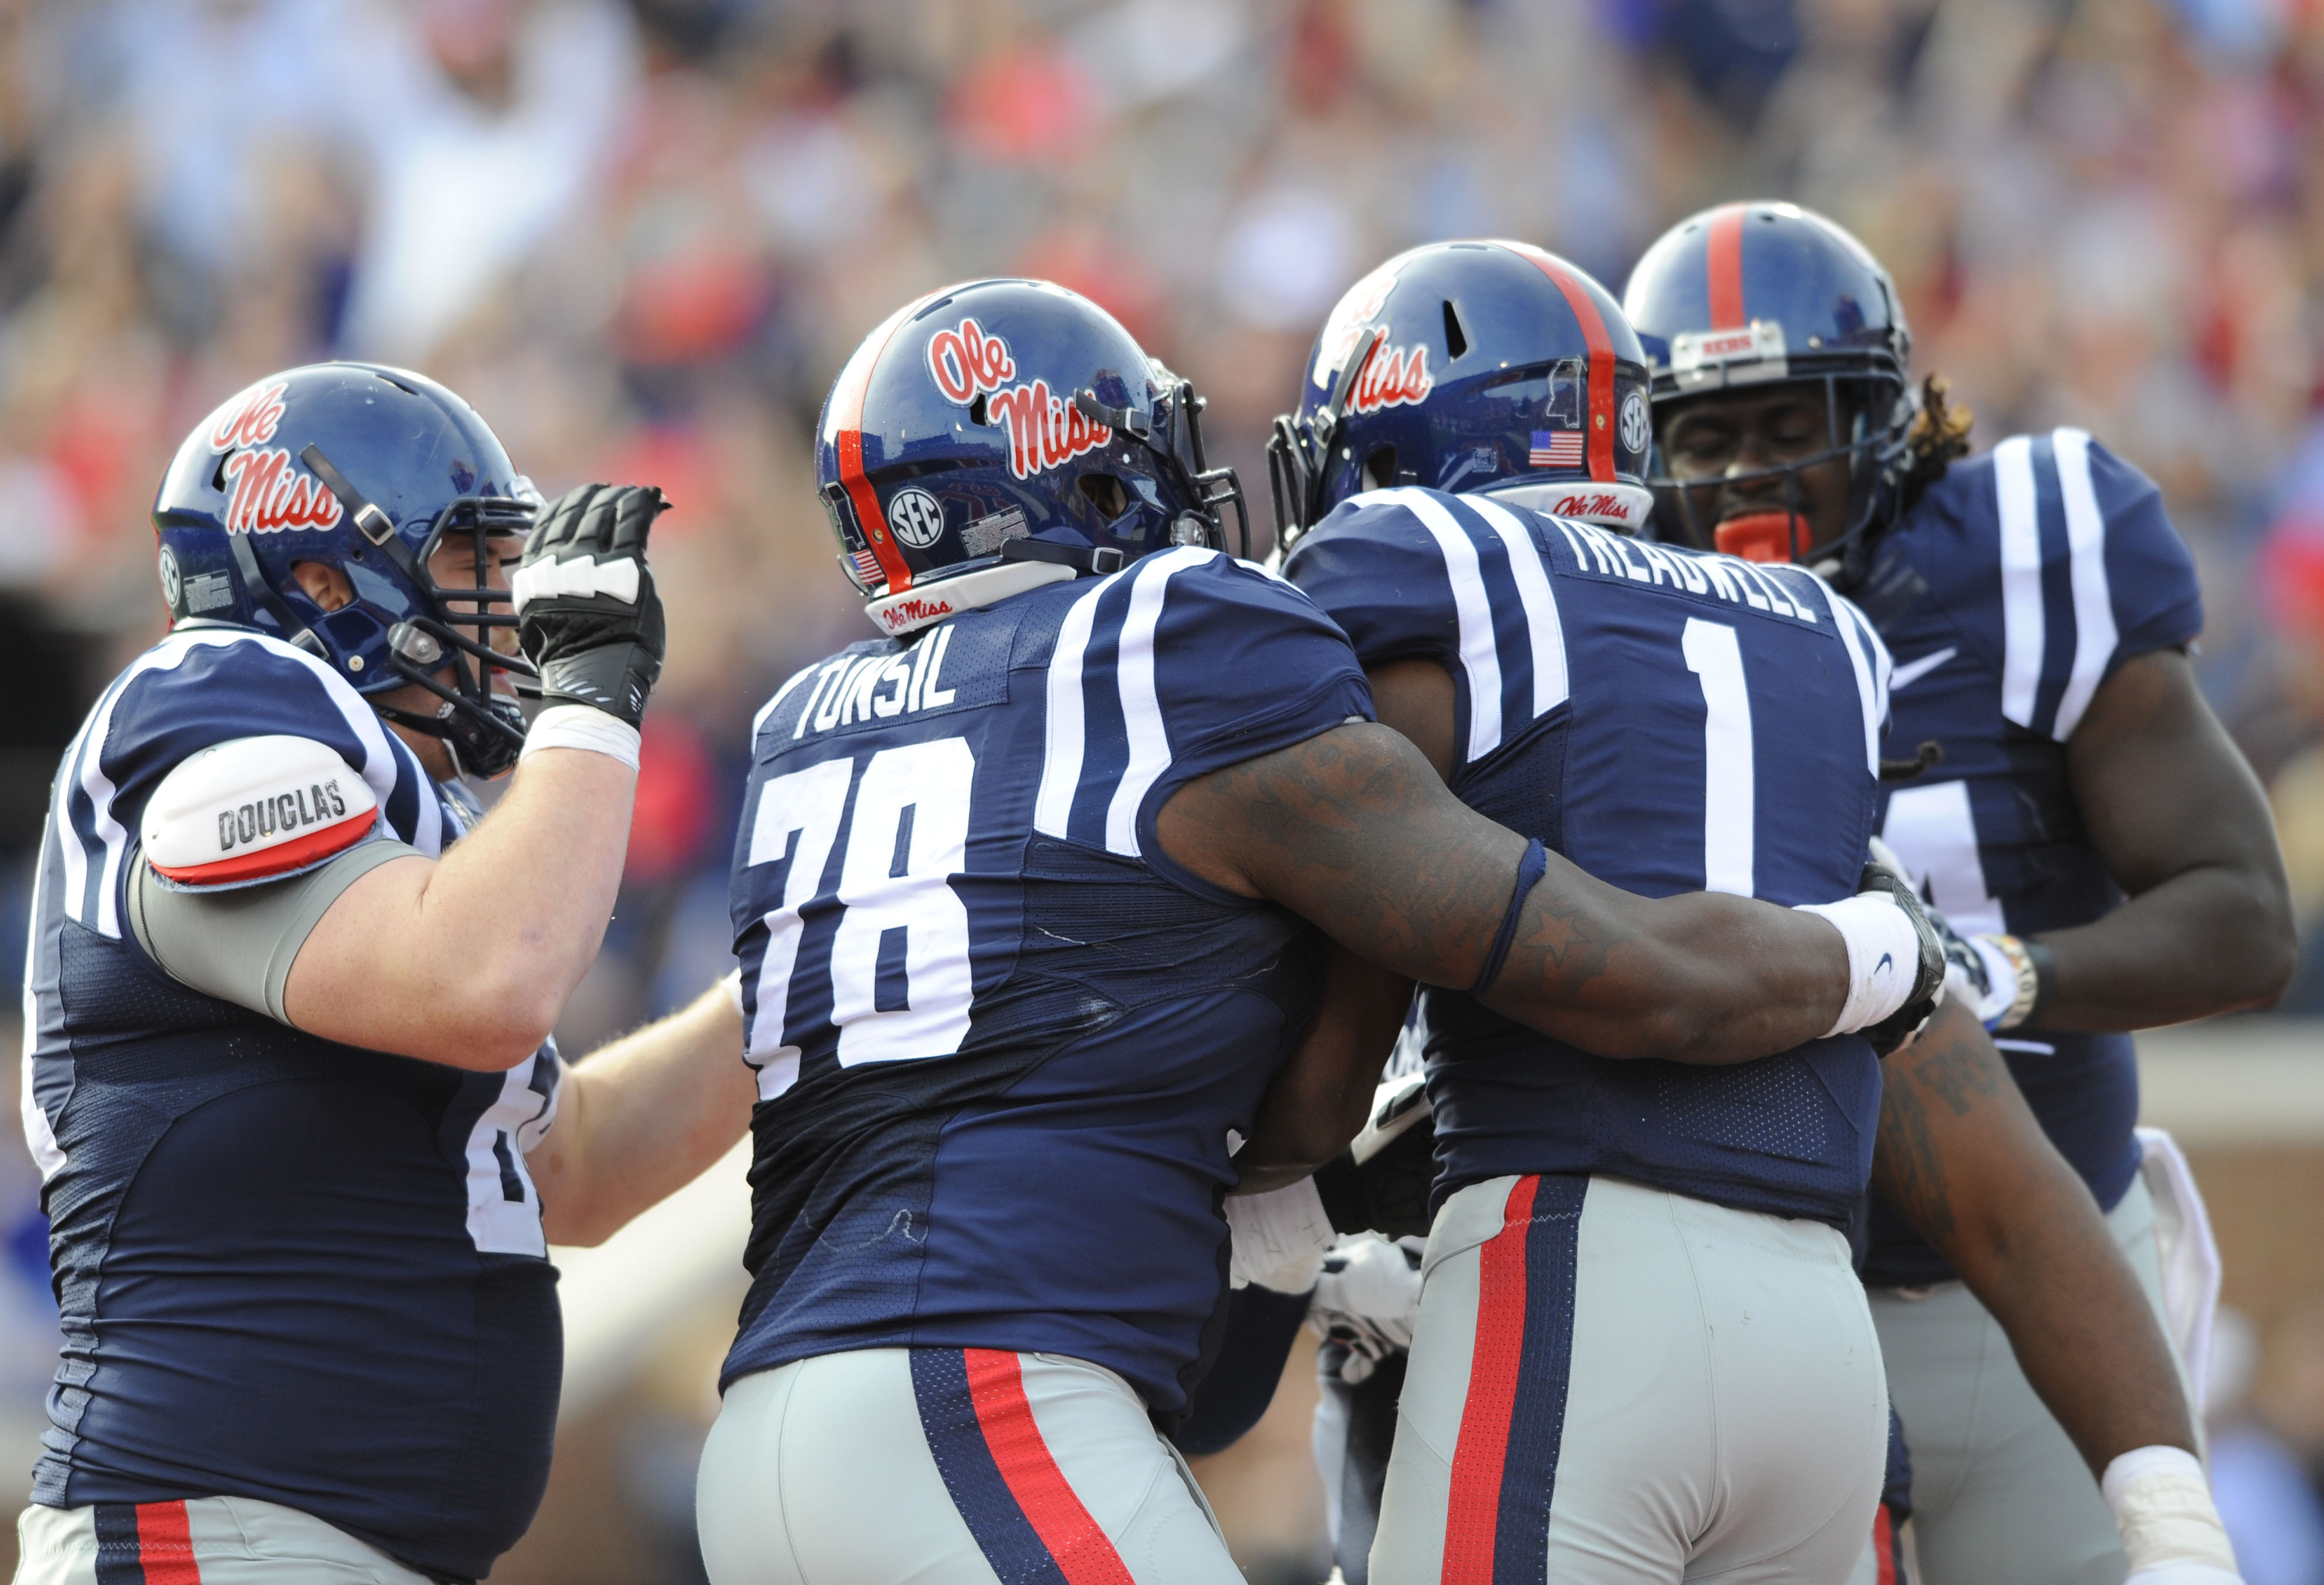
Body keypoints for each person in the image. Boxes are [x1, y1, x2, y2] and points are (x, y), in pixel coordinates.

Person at [691, 278, 1946, 1585]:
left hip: (777, 1423)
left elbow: (1215, 1368)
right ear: (1091, 478)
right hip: (983, 1405)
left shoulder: (801, 725)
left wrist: (1294, 1222)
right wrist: (1884, 955)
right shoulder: (1169, 641)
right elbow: (1622, 973)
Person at [1623, 200, 2292, 1585]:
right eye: (1704, 436)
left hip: (2043, 1303)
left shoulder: (2026, 551)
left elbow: (2242, 917)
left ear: (1886, 419)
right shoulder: (1608, 618)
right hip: (1756, 1314)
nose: (1749, 473)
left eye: (1788, 420)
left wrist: (1999, 973)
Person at [16, 363, 756, 1585]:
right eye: (475, 561)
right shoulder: (210, 699)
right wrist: (594, 706)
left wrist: (800, 979)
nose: (513, 604)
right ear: (323, 578)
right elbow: (490, 980)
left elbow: (570, 1164)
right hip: (219, 1534)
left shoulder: (419, 817)